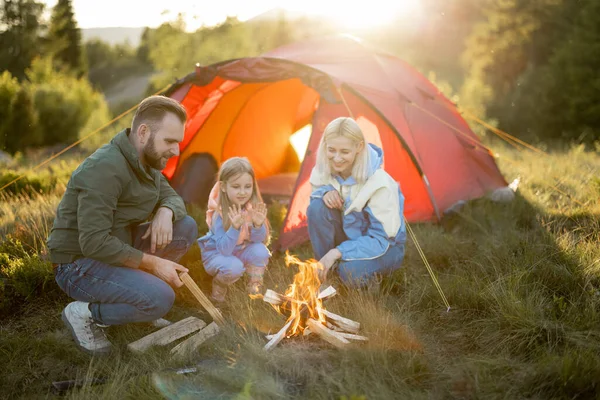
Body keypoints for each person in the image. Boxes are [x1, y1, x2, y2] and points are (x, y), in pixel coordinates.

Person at [47, 95, 198, 355]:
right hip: (78, 264)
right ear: (143, 132)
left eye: (178, 142)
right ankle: (85, 313)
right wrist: (153, 263)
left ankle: (139, 296)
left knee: (185, 227)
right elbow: (93, 242)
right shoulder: (104, 168)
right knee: (162, 298)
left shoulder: (145, 162)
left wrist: (165, 211)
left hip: (116, 247)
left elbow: (172, 196)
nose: (176, 151)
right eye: (170, 141)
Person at [307, 117, 406, 287]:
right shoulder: (323, 169)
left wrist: (338, 252)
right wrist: (324, 192)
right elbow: (315, 197)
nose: (337, 158)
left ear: (359, 147)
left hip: (384, 247)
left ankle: (366, 280)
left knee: (349, 273)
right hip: (348, 236)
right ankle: (324, 272)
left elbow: (381, 239)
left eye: (344, 152)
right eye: (331, 150)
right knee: (317, 208)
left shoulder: (380, 183)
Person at [197, 157, 271, 305]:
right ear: (224, 187)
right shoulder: (219, 214)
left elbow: (258, 241)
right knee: (233, 267)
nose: (242, 192)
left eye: (247, 186)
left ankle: (253, 286)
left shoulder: (250, 208)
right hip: (217, 254)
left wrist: (257, 225)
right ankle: (219, 286)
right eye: (236, 186)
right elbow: (224, 250)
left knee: (261, 251)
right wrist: (234, 228)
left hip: (239, 250)